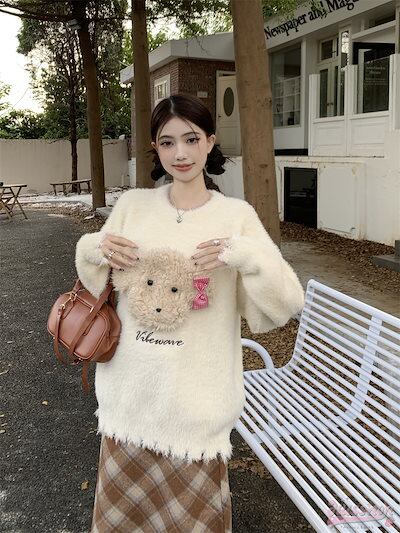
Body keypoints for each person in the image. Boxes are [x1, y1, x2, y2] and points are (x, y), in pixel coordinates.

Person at [75, 93, 305, 532]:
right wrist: (94, 248)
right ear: (155, 149)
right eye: (167, 142)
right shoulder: (133, 206)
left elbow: (285, 303)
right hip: (130, 400)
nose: (180, 153)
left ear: (210, 142)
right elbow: (95, 282)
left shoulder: (236, 215)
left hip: (196, 405)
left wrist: (243, 255)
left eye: (191, 139)